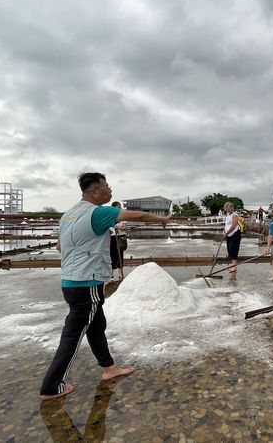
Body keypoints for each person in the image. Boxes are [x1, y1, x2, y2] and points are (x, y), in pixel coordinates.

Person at [40, 172, 169, 401]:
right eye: (107, 187)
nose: (111, 191)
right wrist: (162, 220)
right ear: (95, 191)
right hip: (86, 283)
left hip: (72, 281)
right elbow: (137, 216)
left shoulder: (68, 215)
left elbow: (60, 247)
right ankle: (51, 386)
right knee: (73, 334)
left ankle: (108, 368)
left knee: (97, 325)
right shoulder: (98, 212)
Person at [109, 201, 127, 281]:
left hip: (121, 238)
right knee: (112, 255)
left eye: (120, 206)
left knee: (120, 255)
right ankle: (111, 273)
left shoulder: (123, 216)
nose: (120, 208)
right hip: (112, 237)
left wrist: (117, 227)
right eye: (118, 206)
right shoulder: (109, 216)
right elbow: (107, 226)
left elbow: (125, 227)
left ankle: (120, 273)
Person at [222, 201, 242, 273]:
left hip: (235, 233)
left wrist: (226, 233)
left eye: (228, 208)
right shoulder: (227, 215)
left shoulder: (234, 215)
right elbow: (226, 225)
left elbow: (233, 226)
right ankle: (232, 264)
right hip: (228, 234)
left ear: (231, 208)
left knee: (233, 249)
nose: (227, 209)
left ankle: (234, 266)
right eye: (226, 208)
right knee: (229, 249)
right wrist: (224, 232)